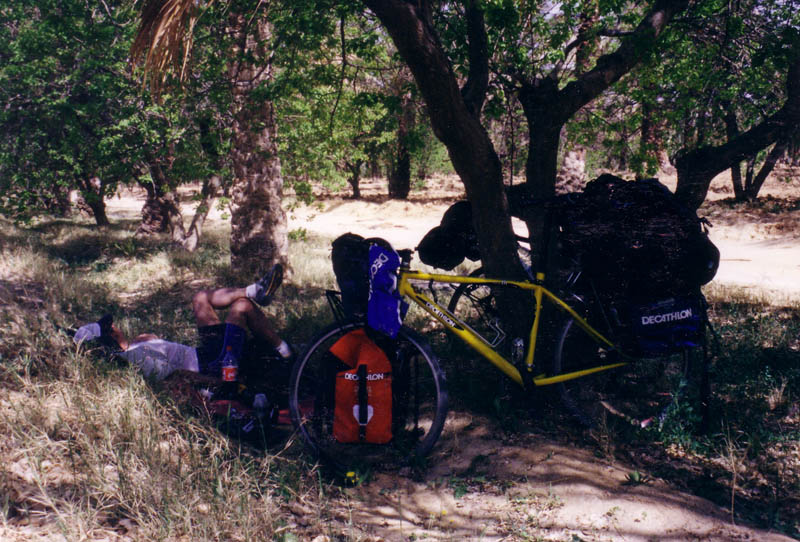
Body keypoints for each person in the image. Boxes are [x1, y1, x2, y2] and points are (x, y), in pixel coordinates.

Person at [73, 264, 291, 382]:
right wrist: (219, 383)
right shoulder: (135, 359)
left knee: (200, 298)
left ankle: (255, 290)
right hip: (214, 365)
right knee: (241, 307)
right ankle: (287, 353)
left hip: (204, 352)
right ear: (110, 336)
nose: (115, 327)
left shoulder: (135, 345)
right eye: (110, 328)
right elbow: (177, 376)